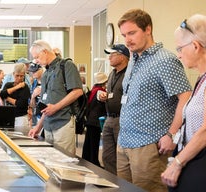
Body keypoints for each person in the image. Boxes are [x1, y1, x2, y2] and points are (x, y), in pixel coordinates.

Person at [116, 9, 192, 191]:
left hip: (148, 145)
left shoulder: (164, 60)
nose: (127, 40)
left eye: (132, 33)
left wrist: (171, 134)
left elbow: (186, 97)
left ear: (148, 29)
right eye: (124, 35)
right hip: (124, 141)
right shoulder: (134, 58)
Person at [161, 14, 206, 191]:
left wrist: (177, 163)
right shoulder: (201, 79)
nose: (178, 55)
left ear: (195, 46)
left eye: (180, 49)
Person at [27, 40, 83, 155]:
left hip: (63, 122)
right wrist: (38, 127)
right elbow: (45, 105)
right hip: (48, 125)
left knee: (64, 163)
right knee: (50, 162)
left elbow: (77, 91)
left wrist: (56, 107)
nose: (36, 61)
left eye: (37, 57)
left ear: (45, 52)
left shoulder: (67, 65)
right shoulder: (46, 73)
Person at [99, 43, 129, 175]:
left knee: (122, 157)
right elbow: (112, 94)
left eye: (112, 54)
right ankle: (112, 184)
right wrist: (103, 96)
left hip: (122, 120)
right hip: (109, 118)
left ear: (123, 57)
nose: (109, 58)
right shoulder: (112, 74)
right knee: (107, 156)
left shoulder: (130, 73)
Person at [81, 72, 107, 167]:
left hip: (90, 119)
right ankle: (94, 161)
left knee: (88, 141)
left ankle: (87, 159)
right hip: (96, 121)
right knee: (94, 143)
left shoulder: (93, 90)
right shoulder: (101, 92)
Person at [0, 63, 31, 135]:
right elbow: (2, 94)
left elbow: (21, 104)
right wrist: (17, 87)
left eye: (21, 76)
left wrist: (7, 98)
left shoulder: (25, 87)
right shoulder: (8, 84)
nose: (19, 78)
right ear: (13, 74)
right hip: (8, 117)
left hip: (21, 117)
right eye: (17, 76)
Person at [28, 62, 44, 126]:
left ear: (41, 69)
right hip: (39, 116)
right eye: (32, 71)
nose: (33, 73)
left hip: (49, 116)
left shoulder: (47, 81)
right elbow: (32, 105)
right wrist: (33, 96)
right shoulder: (34, 83)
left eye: (35, 71)